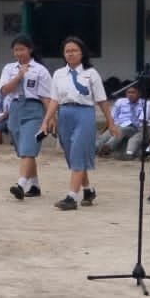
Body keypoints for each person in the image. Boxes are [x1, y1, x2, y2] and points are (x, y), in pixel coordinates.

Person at [41, 35, 116, 210]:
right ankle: (88, 190)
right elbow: (54, 99)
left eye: (74, 50)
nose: (71, 54)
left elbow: (102, 100)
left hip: (84, 113)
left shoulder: (91, 74)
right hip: (65, 114)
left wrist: (110, 122)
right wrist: (47, 120)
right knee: (72, 154)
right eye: (67, 51)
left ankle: (71, 197)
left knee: (79, 151)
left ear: (82, 53)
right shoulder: (59, 74)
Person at [0, 34, 52, 199]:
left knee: (29, 146)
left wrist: (50, 117)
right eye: (16, 50)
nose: (19, 53)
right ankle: (34, 185)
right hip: (15, 109)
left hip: (34, 109)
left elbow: (46, 96)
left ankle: (20, 184)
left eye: (22, 49)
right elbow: (4, 90)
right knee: (23, 149)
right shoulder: (9, 68)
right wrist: (19, 76)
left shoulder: (40, 70)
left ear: (30, 50)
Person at [100, 86, 150, 159]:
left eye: (133, 92)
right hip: (118, 126)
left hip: (134, 128)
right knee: (104, 137)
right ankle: (97, 149)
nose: (130, 94)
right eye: (128, 92)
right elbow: (112, 117)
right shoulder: (120, 101)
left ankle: (108, 148)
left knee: (123, 130)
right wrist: (108, 128)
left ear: (139, 94)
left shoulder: (144, 104)